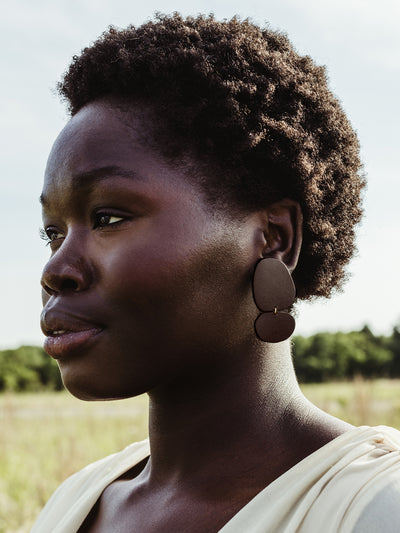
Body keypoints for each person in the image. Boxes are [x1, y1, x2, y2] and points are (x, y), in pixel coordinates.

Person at [32, 13, 400, 533]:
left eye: (108, 218)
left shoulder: (372, 508)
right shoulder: (75, 500)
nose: (56, 269)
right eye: (52, 231)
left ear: (275, 237)